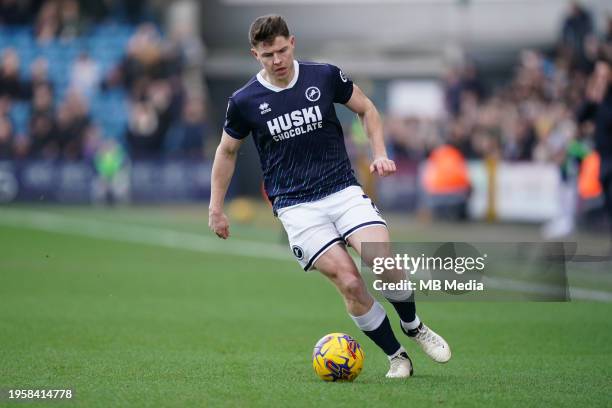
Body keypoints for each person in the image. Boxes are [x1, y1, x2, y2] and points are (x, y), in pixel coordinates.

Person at [208, 15, 451, 379]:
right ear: (254, 54)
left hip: (342, 190)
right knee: (350, 283)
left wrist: (379, 152)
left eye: (280, 50)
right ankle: (397, 356)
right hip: (296, 207)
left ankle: (414, 326)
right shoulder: (244, 101)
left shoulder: (323, 76)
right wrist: (215, 209)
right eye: (266, 55)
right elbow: (226, 152)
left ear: (292, 43)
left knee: (383, 264)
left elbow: (367, 108)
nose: (276, 60)